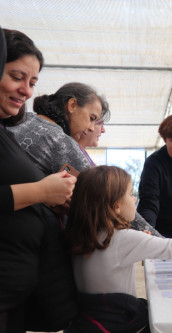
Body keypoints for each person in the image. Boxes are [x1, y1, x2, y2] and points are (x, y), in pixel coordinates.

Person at [65, 165, 172, 331]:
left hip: (88, 323)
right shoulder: (120, 238)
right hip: (119, 324)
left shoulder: (83, 235)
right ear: (116, 206)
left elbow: (108, 265)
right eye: (131, 194)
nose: (134, 199)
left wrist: (142, 243)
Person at [8, 81, 160, 236]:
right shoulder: (59, 141)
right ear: (72, 105)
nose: (91, 127)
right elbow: (108, 194)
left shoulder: (22, 118)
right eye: (92, 118)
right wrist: (159, 241)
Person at [0, 28, 76, 332]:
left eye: (32, 82)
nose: (27, 91)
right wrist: (41, 190)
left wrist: (49, 198)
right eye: (17, 77)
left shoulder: (6, 134)